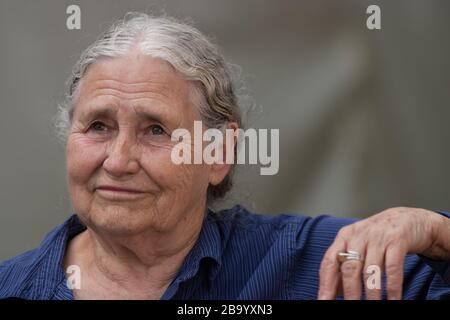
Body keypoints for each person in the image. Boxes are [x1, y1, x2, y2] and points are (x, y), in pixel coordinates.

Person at [0, 13, 449, 300]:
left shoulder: (313, 264)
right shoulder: (14, 288)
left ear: (218, 153)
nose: (118, 161)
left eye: (156, 130)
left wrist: (436, 232)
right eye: (98, 126)